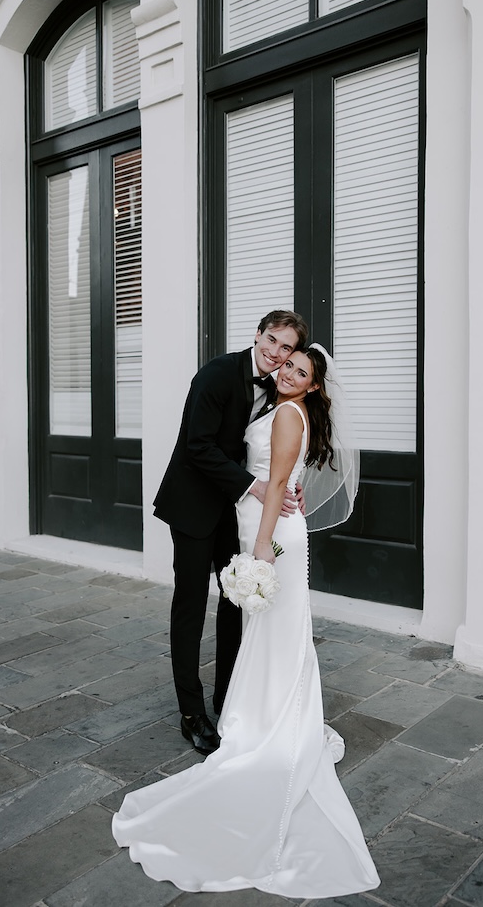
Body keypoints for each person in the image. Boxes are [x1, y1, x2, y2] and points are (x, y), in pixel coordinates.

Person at [113, 344, 380, 898]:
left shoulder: (287, 410)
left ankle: (268, 721)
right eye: (285, 361)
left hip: (268, 531)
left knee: (272, 629)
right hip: (257, 523)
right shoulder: (274, 401)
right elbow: (257, 464)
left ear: (312, 386)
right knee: (270, 630)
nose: (286, 370)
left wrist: (259, 552)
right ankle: (256, 709)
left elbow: (279, 482)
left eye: (299, 369)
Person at [153, 310, 309, 755]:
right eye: (272, 340)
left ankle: (228, 696)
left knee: (234, 602)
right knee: (189, 606)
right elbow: (196, 445)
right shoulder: (217, 374)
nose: (276, 353)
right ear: (257, 334)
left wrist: (287, 480)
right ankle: (191, 712)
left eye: (285, 348)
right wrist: (255, 486)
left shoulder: (279, 387)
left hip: (233, 511)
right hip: (193, 506)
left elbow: (270, 447)